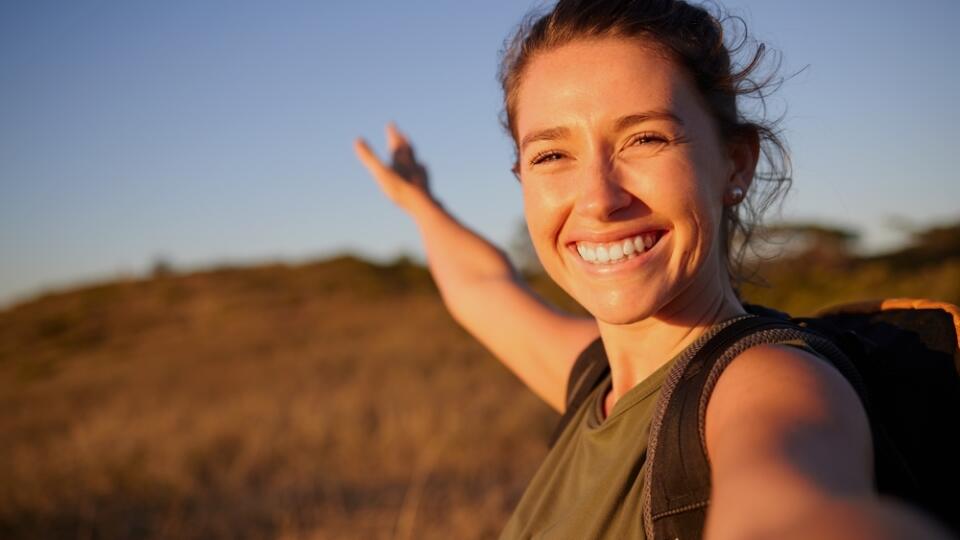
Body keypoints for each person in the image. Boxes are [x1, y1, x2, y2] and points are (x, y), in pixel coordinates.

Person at [354, 0, 953, 538]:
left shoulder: (768, 382)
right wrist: (419, 204)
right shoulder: (598, 379)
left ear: (736, 164)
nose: (596, 199)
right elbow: (483, 287)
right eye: (552, 154)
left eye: (645, 139)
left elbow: (790, 508)